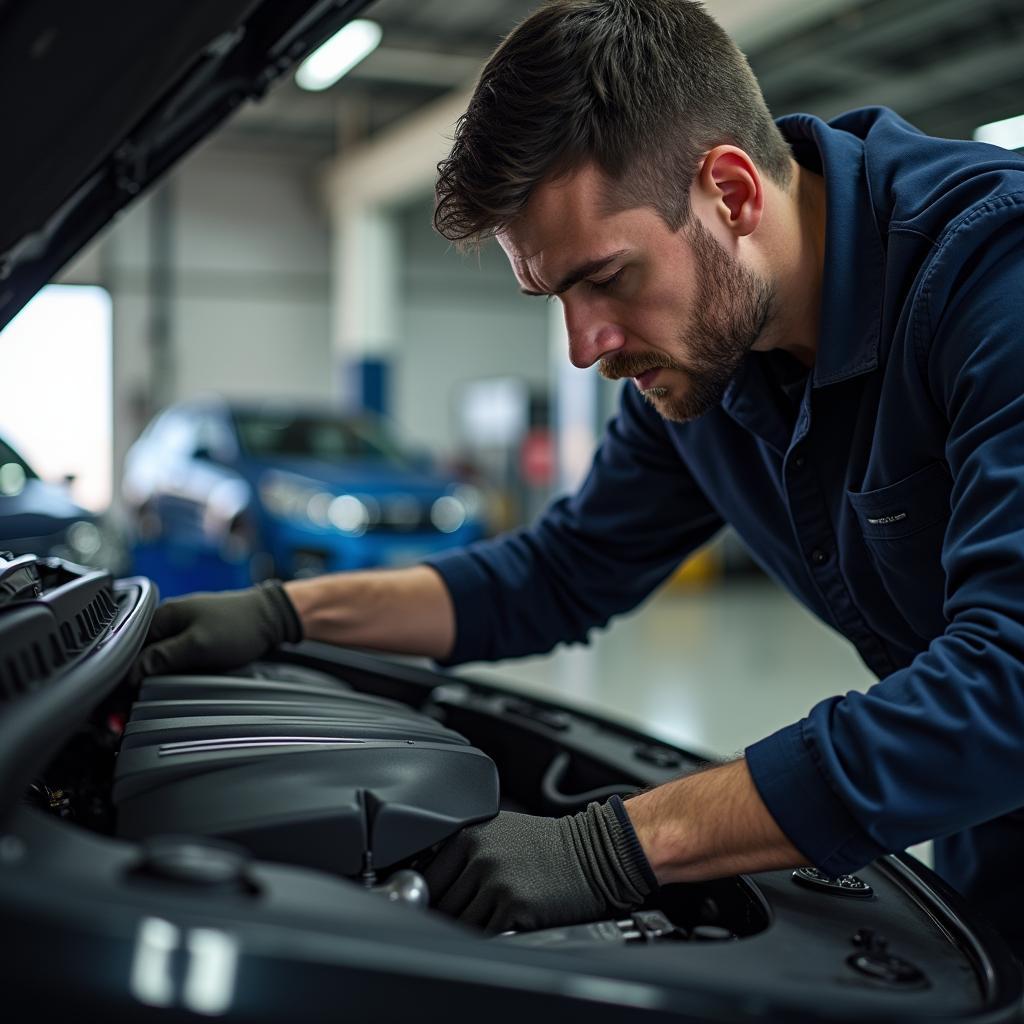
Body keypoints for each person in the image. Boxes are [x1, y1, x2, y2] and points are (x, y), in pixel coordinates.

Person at [136, 0, 1024, 949]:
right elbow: (561, 571)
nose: (584, 345)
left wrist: (616, 849)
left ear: (731, 192)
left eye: (607, 276)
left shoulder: (993, 278)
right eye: (556, 294)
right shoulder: (703, 370)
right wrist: (284, 615)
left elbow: (1009, 681)